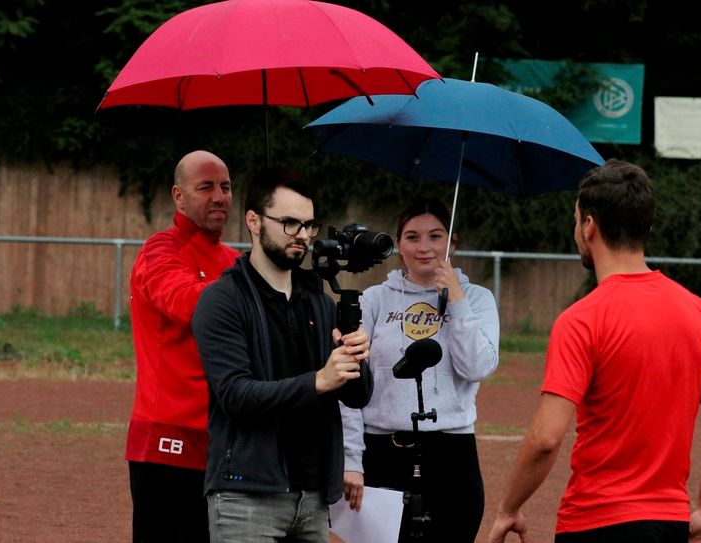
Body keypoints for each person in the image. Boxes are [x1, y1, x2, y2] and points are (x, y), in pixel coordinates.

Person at [489, 159, 701, 543]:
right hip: (669, 523)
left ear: (589, 226)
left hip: (595, 521)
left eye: (576, 221)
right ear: (646, 226)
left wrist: (508, 508)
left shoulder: (581, 320)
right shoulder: (696, 309)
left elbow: (545, 439)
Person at [190, 167, 374, 543]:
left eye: (309, 225)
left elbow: (357, 395)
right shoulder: (222, 301)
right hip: (246, 496)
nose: (303, 236)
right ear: (254, 221)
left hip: (314, 498)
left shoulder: (321, 303)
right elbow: (235, 395)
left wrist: (356, 360)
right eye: (289, 223)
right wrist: (319, 380)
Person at [341, 197, 500, 542]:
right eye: (412, 237)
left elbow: (477, 366)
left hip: (452, 457)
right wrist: (351, 458)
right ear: (398, 245)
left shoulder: (477, 299)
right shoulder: (374, 300)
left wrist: (456, 299)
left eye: (435, 236)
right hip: (383, 455)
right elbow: (349, 384)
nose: (424, 247)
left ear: (452, 242)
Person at [126, 150, 239, 542]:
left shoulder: (236, 261)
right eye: (205, 187)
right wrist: (253, 288)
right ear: (179, 196)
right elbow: (188, 303)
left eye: (225, 187)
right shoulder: (160, 250)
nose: (219, 196)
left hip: (226, 443)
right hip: (166, 442)